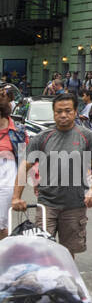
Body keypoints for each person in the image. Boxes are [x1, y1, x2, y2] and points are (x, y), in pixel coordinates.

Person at [11, 92, 92, 257]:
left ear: (75, 112)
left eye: (68, 111)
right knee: (42, 250)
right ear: (53, 113)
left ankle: (65, 282)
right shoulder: (42, 137)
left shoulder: (86, 136)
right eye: (58, 111)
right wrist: (16, 197)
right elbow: (24, 167)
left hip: (75, 205)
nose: (63, 115)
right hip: (47, 204)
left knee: (68, 253)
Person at [0, 98, 26, 239]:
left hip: (6, 184)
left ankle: (4, 256)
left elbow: (24, 161)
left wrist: (19, 191)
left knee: (0, 224)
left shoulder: (18, 131)